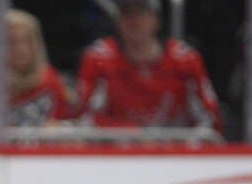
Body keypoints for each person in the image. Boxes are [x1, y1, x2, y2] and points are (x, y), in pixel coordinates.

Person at [75, 0, 221, 132]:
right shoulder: (98, 58)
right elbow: (85, 119)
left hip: (174, 153)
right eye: (126, 13)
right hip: (116, 153)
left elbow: (210, 121)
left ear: (156, 19)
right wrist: (137, 134)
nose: (133, 20)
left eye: (141, 12)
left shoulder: (185, 59)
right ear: (118, 21)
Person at [0, 9, 71, 141]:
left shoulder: (51, 80)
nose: (21, 49)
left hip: (45, 157)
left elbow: (62, 127)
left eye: (26, 41)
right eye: (11, 42)